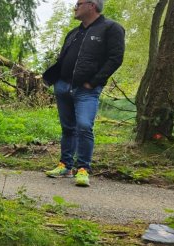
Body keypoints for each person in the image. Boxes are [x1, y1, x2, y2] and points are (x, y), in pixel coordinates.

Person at [42, 0, 124, 187]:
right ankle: (65, 166)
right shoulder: (74, 32)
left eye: (78, 4)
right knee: (67, 128)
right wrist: (56, 80)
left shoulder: (111, 28)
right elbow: (63, 58)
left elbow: (115, 58)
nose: (75, 7)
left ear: (92, 5)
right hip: (63, 86)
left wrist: (93, 82)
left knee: (84, 126)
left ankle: (83, 169)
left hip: (86, 89)